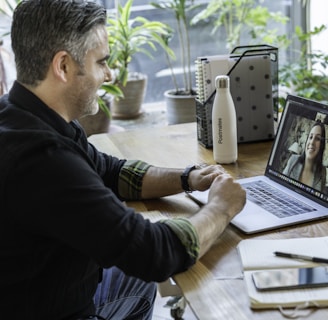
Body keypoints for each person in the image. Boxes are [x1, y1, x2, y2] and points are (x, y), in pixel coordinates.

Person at [0, 1, 246, 319]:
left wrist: (188, 177)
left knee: (134, 272)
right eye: (101, 62)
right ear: (62, 66)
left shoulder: (23, 115)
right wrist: (221, 208)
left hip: (43, 290)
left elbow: (112, 172)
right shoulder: (43, 159)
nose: (109, 74)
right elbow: (155, 253)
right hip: (57, 311)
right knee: (149, 264)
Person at [283, 121, 327, 192]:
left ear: (321, 145)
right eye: (310, 137)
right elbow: (280, 184)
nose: (312, 142)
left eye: (318, 139)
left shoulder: (322, 172)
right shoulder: (293, 160)